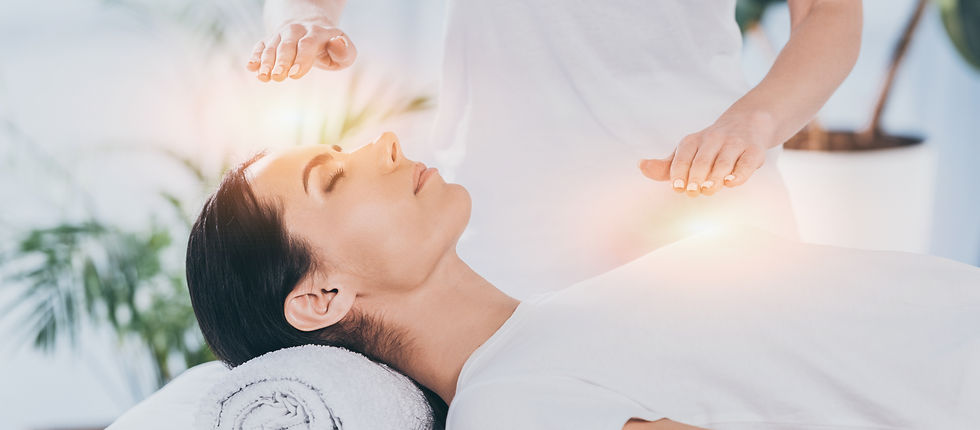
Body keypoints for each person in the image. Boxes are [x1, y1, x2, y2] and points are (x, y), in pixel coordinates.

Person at [186, 133, 980, 430]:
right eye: (334, 175)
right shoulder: (510, 411)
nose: (384, 141)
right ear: (321, 298)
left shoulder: (558, 323)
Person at [244, 0, 863, 296]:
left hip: (711, 209)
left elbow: (829, 12)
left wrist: (754, 123)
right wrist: (302, 19)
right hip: (504, 237)